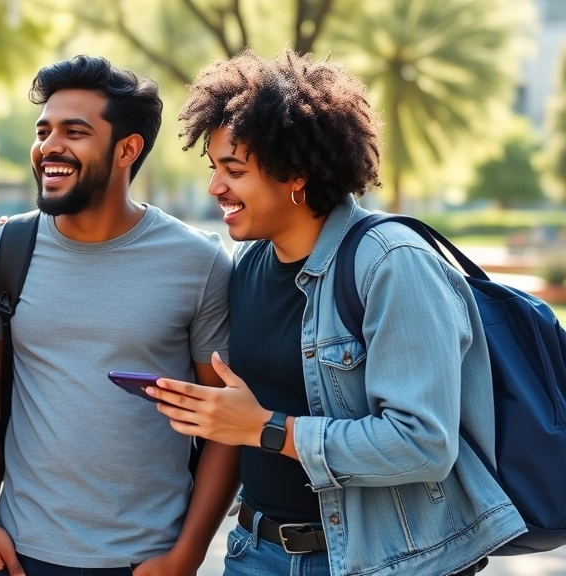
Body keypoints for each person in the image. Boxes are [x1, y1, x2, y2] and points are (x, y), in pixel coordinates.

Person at [145, 50, 527, 575]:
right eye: (214, 169)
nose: (215, 187)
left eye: (234, 170)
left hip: (382, 560)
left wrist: (267, 430)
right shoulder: (248, 265)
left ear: (295, 174)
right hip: (256, 553)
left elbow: (423, 442)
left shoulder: (392, 264)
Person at [0, 55, 238, 576]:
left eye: (74, 131)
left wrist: (187, 555)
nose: (49, 147)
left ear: (127, 150)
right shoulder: (2, 251)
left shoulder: (198, 263)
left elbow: (223, 421)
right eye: (43, 131)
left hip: (147, 558)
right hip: (22, 553)